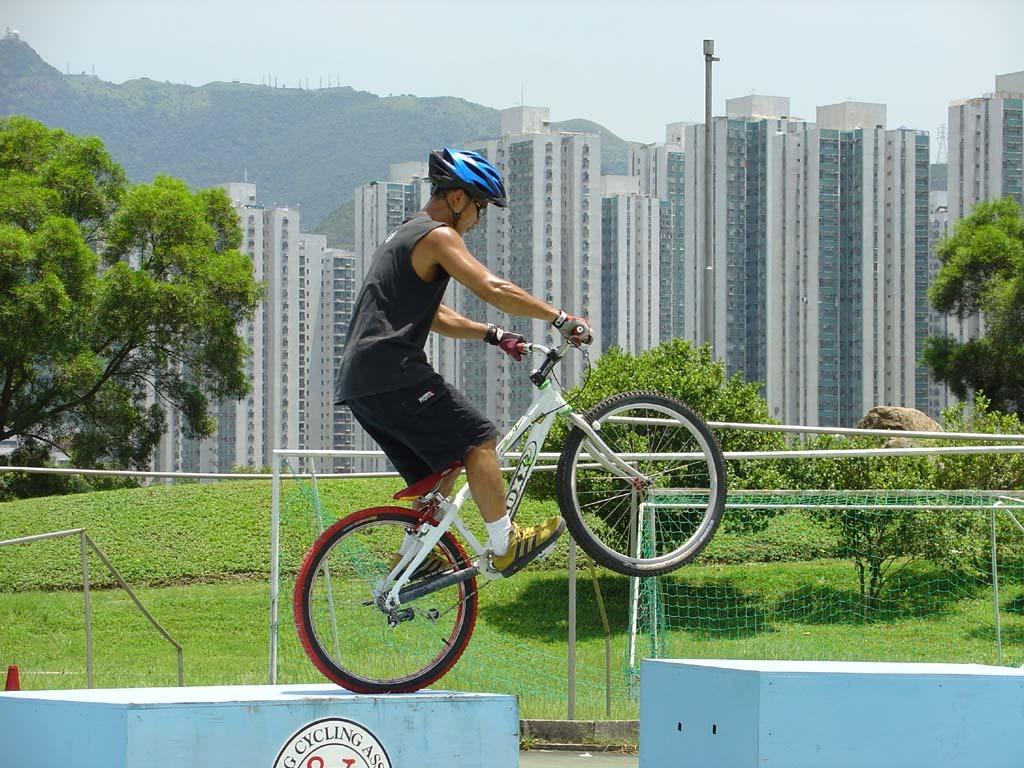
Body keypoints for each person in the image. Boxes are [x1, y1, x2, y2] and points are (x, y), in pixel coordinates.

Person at [335, 147, 592, 578]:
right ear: (457, 199)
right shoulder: (438, 235)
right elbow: (493, 287)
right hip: (392, 369)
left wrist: (493, 334)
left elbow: (432, 316)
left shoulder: (405, 235)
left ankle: (414, 557)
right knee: (477, 441)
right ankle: (505, 544)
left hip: (362, 384)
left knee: (444, 468)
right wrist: (559, 318)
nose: (478, 219)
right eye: (481, 207)